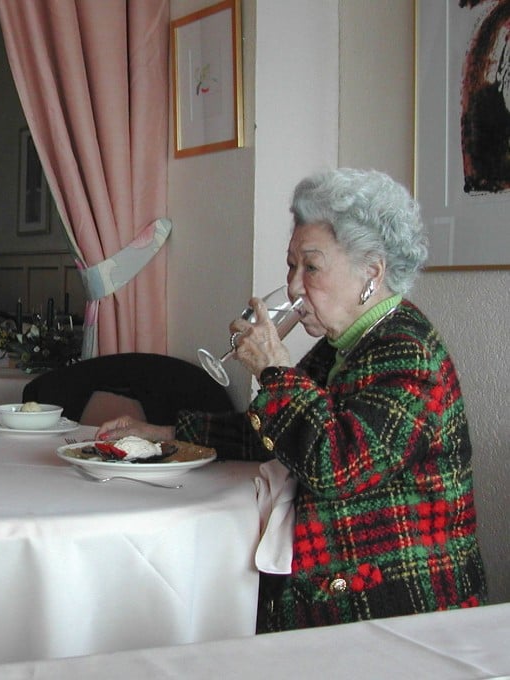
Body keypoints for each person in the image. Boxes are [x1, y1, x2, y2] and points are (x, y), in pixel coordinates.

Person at [99, 168, 487, 632]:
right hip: (337, 589)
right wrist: (164, 436)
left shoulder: (407, 353)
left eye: (312, 266)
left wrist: (273, 370)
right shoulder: (345, 343)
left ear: (372, 272)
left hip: (398, 610)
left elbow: (333, 463)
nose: (295, 287)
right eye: (291, 265)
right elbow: (279, 438)